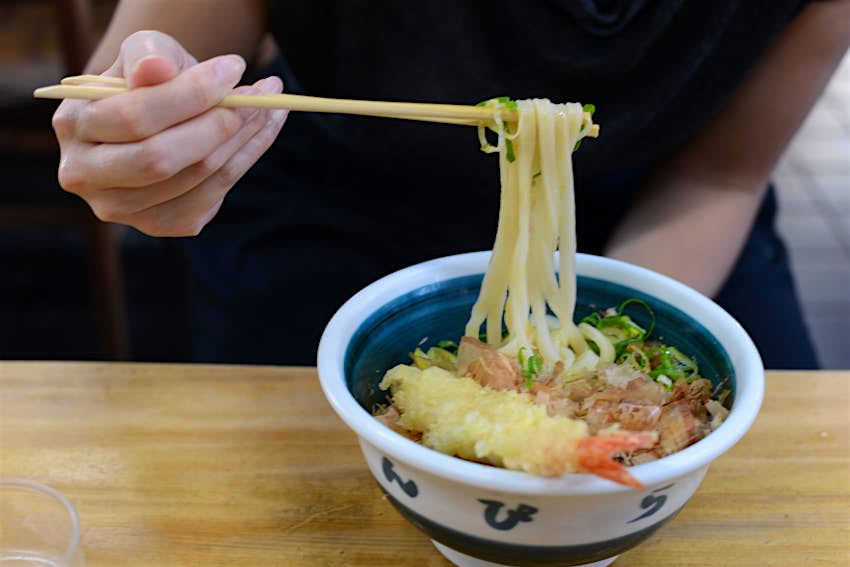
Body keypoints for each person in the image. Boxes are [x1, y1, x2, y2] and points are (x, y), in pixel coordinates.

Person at [51, 1, 850, 367]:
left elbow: (719, 174)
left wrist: (578, 367)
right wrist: (144, 127)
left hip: (654, 216)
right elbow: (146, 64)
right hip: (334, 197)